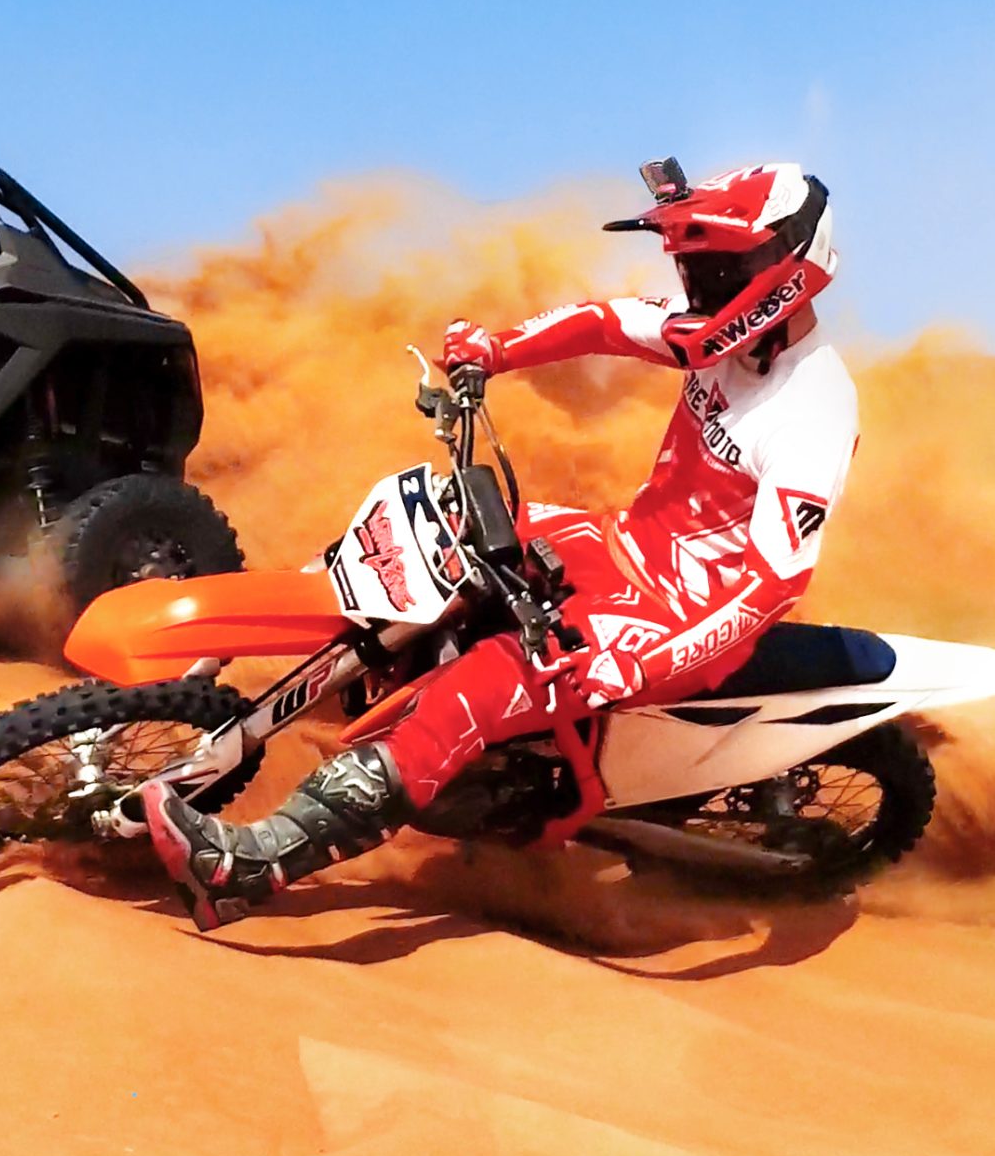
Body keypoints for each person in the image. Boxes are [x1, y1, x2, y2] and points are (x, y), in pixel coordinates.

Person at [141, 156, 861, 930]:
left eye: (719, 270)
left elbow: (772, 585)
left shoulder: (810, 409)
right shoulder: (724, 340)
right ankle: (207, 685)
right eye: (695, 269)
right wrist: (495, 348)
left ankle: (250, 867)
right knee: (433, 530)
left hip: (679, 619)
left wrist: (639, 661)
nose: (701, 288)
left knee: (477, 688)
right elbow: (607, 322)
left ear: (785, 268)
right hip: (623, 544)